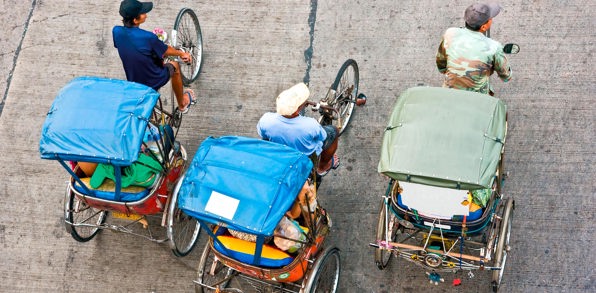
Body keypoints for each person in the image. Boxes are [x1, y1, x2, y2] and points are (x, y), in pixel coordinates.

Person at [113, 0, 194, 113]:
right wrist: (182, 53)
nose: (146, 14)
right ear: (135, 20)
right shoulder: (148, 37)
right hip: (153, 79)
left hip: (133, 79)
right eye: (143, 13)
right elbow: (166, 51)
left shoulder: (116, 31)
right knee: (175, 66)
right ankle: (182, 104)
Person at [257, 83, 340, 176]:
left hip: (280, 151)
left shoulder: (266, 119)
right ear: (297, 110)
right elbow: (322, 136)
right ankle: (323, 166)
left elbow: (263, 136)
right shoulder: (310, 125)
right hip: (304, 155)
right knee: (333, 131)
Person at [436, 2, 512, 95]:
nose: (491, 19)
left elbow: (441, 64)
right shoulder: (493, 47)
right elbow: (506, 76)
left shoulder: (450, 33)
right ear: (484, 27)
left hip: (450, 92)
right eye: (490, 18)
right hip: (477, 98)